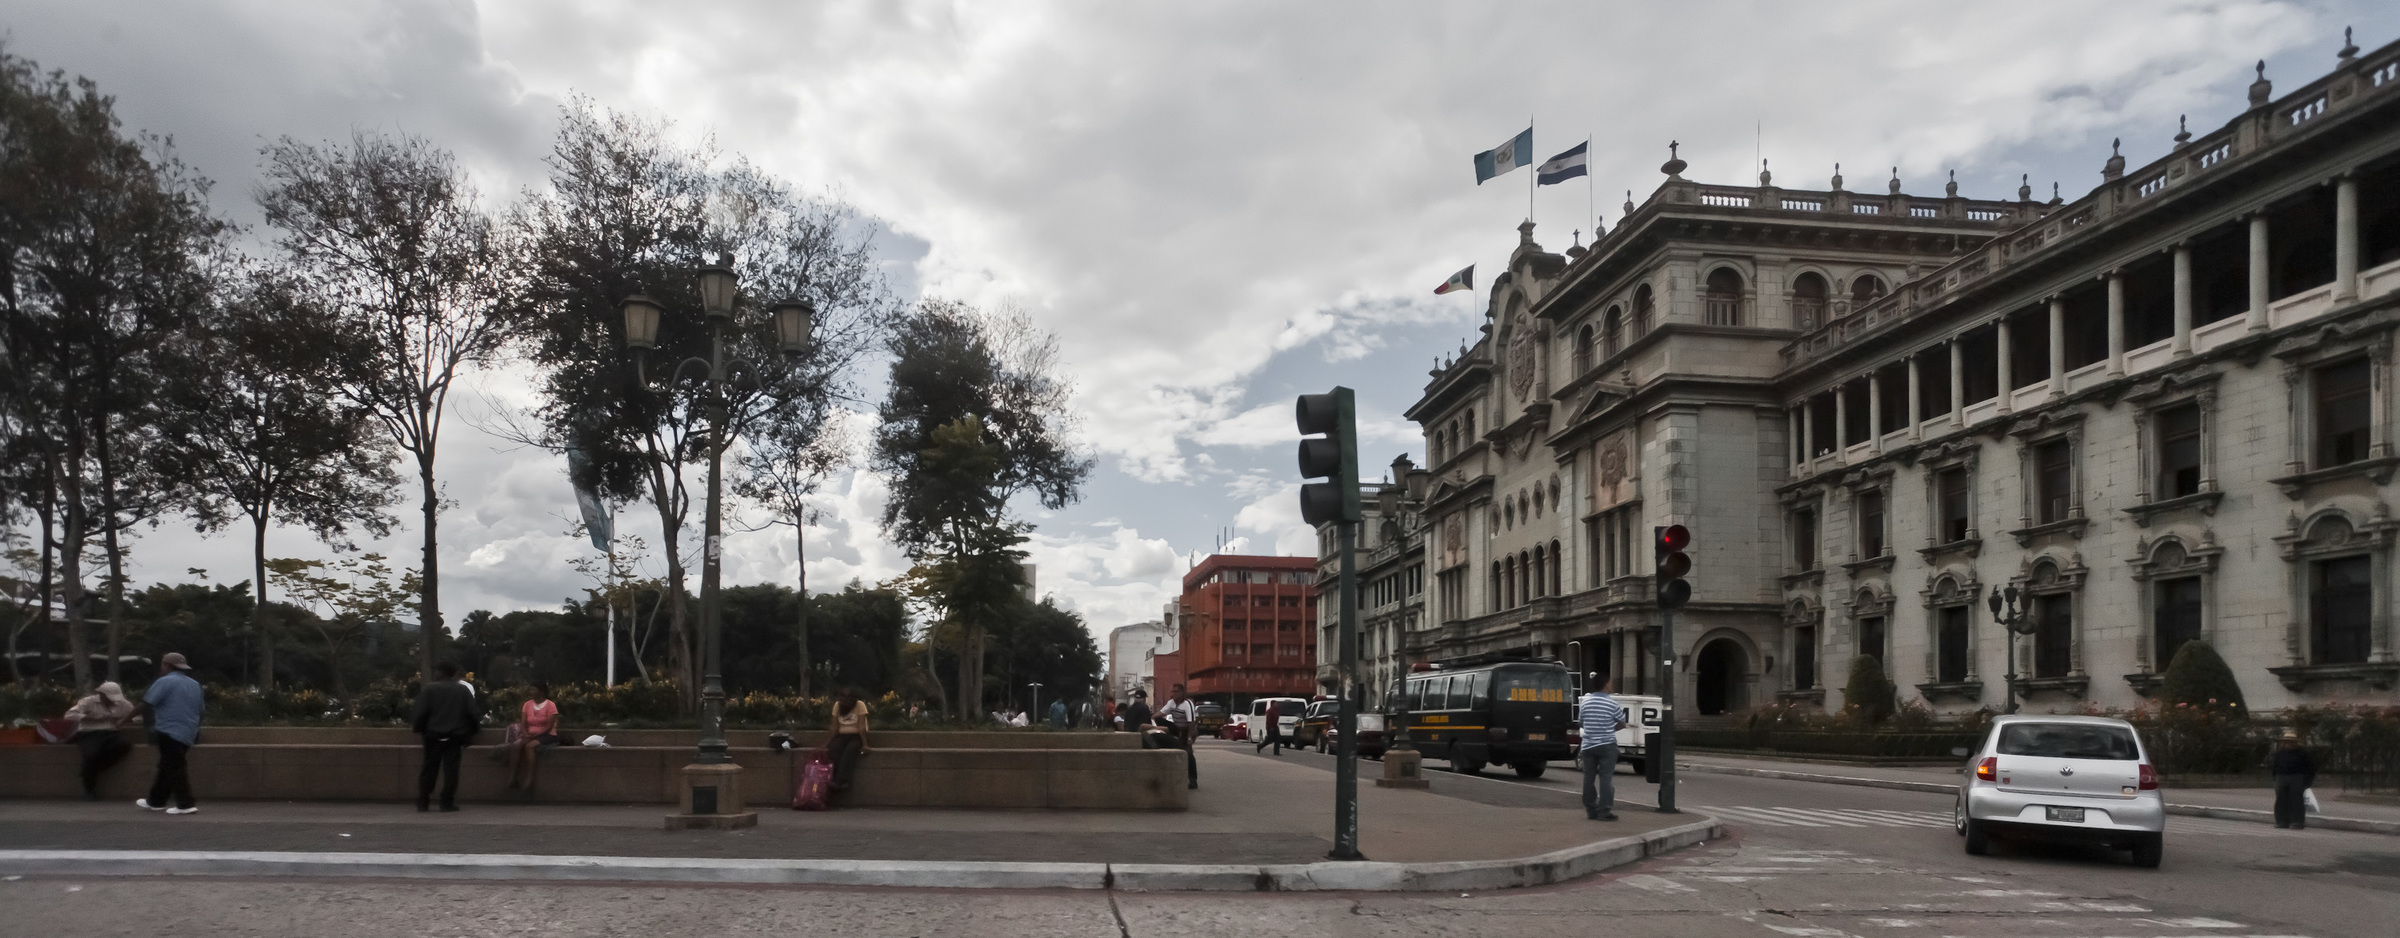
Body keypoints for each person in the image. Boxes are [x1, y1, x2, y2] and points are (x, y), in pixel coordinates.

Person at [133, 653, 204, 815]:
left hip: (168, 730)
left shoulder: (164, 681)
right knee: (167, 766)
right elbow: (201, 711)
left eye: (162, 665)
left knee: (175, 767)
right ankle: (156, 801)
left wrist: (123, 720)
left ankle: (186, 804)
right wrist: (195, 727)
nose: (161, 667)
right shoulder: (194, 684)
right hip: (188, 732)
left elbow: (146, 704)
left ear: (166, 665)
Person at [410, 662, 484, 812]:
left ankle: (423, 801)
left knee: (429, 769)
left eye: (436, 670)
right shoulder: (463, 690)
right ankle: (447, 802)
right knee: (451, 770)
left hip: (432, 735)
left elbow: (421, 712)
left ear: (441, 672)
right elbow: (473, 713)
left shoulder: (430, 689)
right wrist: (472, 732)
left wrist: (419, 728)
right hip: (455, 736)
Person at [66, 681, 136, 800]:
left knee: (124, 745)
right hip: (89, 732)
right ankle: (89, 789)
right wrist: (89, 718)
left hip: (111, 732)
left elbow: (135, 716)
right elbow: (69, 715)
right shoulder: (88, 701)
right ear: (101, 694)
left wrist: (123, 720)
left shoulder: (123, 704)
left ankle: (92, 770)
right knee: (91, 753)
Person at [1577, 674, 1628, 821]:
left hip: (1588, 746)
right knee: (1605, 778)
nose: (1611, 686)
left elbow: (1581, 723)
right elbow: (1622, 723)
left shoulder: (1585, 703)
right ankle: (1604, 811)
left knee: (1588, 778)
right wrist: (1610, 729)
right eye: (1610, 683)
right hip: (1607, 745)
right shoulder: (1612, 704)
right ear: (1605, 685)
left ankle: (1590, 809)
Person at [508, 682, 560, 793]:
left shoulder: (551, 705)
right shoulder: (527, 705)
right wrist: (526, 734)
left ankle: (529, 779)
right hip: (530, 734)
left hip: (547, 735)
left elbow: (549, 727)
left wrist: (535, 736)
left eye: (534, 690)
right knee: (516, 746)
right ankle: (513, 778)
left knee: (530, 747)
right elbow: (523, 723)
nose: (531, 692)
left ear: (541, 692)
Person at [827, 687, 873, 799]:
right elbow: (834, 727)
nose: (846, 701)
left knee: (850, 750)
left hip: (856, 736)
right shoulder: (837, 706)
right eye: (843, 698)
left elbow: (861, 726)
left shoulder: (860, 705)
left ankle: (841, 781)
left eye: (849, 698)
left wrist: (865, 744)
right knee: (834, 749)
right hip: (842, 735)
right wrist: (828, 742)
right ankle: (835, 779)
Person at [2269, 730, 2316, 830]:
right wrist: (2275, 777)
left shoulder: (2302, 753)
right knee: (2281, 799)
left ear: (2295, 742)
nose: (2289, 743)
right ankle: (2281, 821)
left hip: (2297, 777)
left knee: (2296, 800)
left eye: (2291, 741)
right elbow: (2274, 766)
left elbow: (2311, 767)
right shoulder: (2280, 753)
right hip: (2281, 777)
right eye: (2286, 741)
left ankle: (2297, 822)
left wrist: (2308, 781)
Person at [1158, 683, 1200, 790]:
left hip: (1188, 730)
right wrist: (1150, 719)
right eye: (1172, 691)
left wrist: (1189, 738)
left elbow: (1191, 722)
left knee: (1188, 753)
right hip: (1177, 728)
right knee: (1158, 720)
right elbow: (1159, 714)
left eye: (1176, 692)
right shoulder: (1171, 703)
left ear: (1181, 693)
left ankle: (1193, 780)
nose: (1173, 694)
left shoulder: (1187, 704)